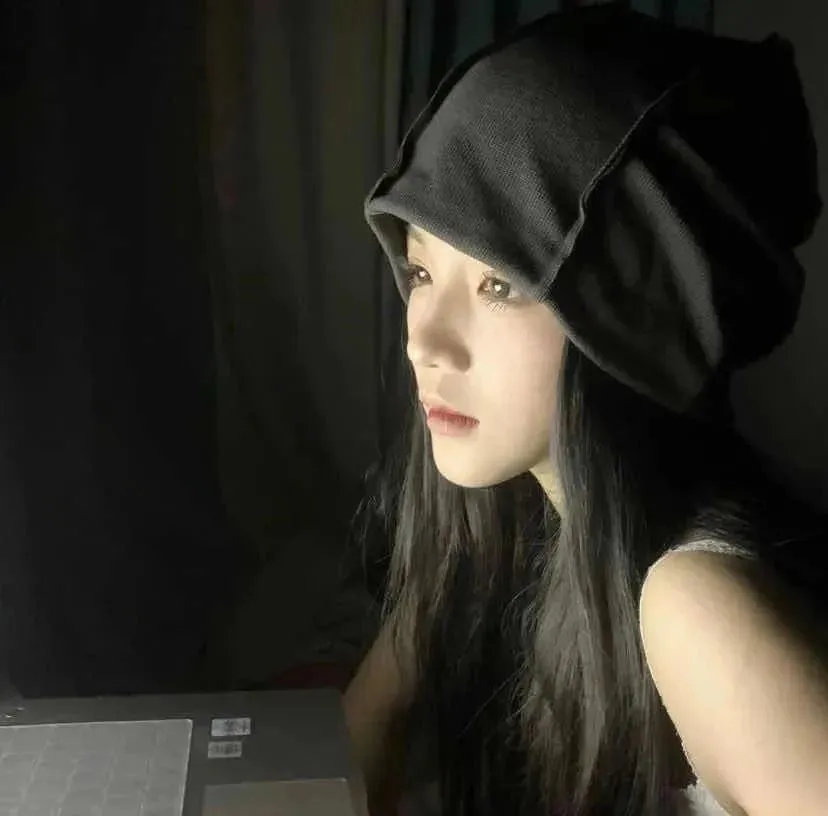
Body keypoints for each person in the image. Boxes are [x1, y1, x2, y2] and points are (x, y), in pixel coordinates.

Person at [345, 4, 827, 815]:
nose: (423, 342)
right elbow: (358, 740)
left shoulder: (698, 605)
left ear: (631, 323)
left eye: (500, 285)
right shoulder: (491, 530)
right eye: (421, 273)